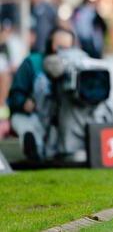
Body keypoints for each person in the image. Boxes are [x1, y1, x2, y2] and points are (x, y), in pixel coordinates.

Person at [7, 27, 75, 161]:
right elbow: (14, 95)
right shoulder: (32, 62)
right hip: (32, 115)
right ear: (50, 45)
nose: (62, 52)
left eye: (67, 48)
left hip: (61, 118)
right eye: (59, 47)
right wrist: (23, 103)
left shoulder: (74, 66)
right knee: (30, 128)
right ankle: (33, 150)